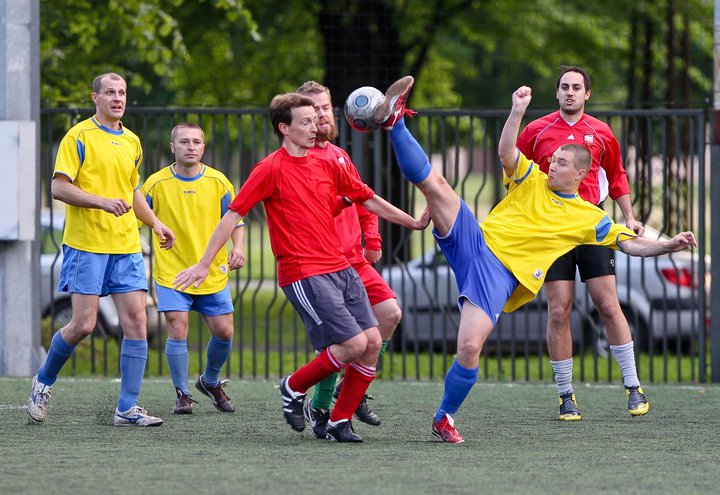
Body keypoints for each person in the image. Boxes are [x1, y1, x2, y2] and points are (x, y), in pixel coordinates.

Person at [372, 76, 696, 443]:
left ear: (580, 173)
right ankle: (394, 122)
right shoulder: (531, 177)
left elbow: (631, 244)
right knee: (436, 186)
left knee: (469, 348)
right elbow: (507, 152)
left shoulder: (590, 218)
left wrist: (669, 245)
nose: (551, 164)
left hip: (497, 277)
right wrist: (516, 112)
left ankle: (443, 417)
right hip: (476, 242)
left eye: (559, 162)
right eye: (552, 159)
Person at [174, 93, 430, 442]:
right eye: (306, 121)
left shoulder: (328, 163)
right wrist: (204, 264)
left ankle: (340, 420)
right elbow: (232, 215)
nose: (316, 125)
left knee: (371, 342)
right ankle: (292, 387)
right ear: (284, 127)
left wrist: (412, 223)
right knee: (354, 343)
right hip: (304, 272)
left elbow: (366, 198)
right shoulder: (269, 169)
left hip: (342, 267)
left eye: (316, 118)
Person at [27, 72, 175, 427]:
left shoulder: (133, 142)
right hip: (87, 244)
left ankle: (127, 408)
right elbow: (59, 188)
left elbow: (133, 191)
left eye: (122, 92)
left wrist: (154, 223)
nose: (117, 97)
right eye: (110, 92)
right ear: (95, 97)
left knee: (138, 321)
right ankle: (42, 382)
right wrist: (101, 203)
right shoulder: (78, 136)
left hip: (125, 245)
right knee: (83, 324)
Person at [516, 66, 647, 420]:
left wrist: (630, 217)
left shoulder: (601, 132)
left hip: (591, 226)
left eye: (576, 87)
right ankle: (565, 395)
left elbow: (617, 175)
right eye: (564, 87)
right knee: (559, 310)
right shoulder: (535, 130)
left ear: (587, 94)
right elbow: (515, 173)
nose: (570, 92)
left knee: (607, 304)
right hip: (552, 231)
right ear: (557, 93)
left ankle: (633, 387)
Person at [296, 80, 402, 438]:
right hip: (321, 265)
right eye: (314, 110)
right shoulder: (299, 160)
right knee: (343, 340)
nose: (322, 114)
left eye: (326, 107)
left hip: (354, 261)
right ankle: (321, 407)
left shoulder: (340, 155)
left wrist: (371, 237)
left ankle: (350, 392)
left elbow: (364, 197)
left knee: (390, 313)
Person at [140, 123, 245, 415]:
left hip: (212, 272)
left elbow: (236, 220)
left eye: (197, 141)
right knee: (177, 326)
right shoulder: (155, 184)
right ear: (172, 147)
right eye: (184, 141)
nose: (191, 146)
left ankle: (210, 381)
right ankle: (182, 394)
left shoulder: (219, 182)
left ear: (203, 148)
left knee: (224, 332)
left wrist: (239, 248)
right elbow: (138, 214)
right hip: (173, 272)